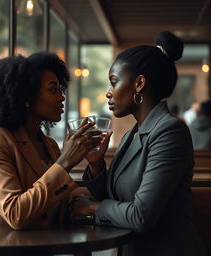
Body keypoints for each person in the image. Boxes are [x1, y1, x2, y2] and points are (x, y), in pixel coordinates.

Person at [70, 31, 208, 255]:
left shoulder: (169, 131)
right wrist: (96, 166)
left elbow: (140, 216)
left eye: (114, 82)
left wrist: (92, 207)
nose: (108, 93)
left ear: (139, 83)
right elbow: (116, 202)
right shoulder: (132, 134)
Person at [0, 52, 102, 230]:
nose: (61, 97)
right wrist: (65, 161)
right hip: (3, 246)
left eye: (60, 89)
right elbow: (16, 214)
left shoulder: (48, 144)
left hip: (46, 246)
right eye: (53, 89)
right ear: (26, 97)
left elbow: (57, 197)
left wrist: (96, 167)